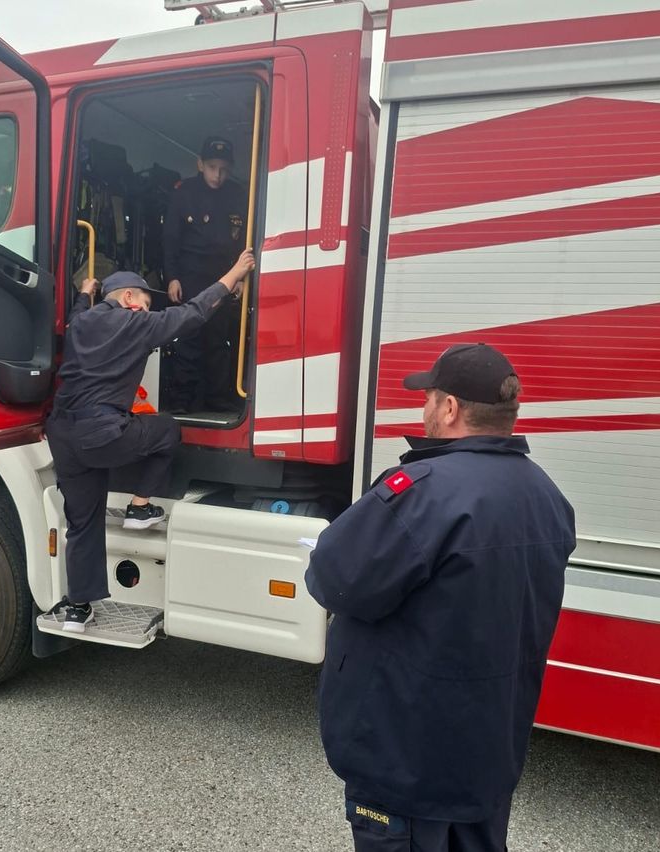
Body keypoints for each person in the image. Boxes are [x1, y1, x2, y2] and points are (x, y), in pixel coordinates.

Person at [305, 343, 576, 852]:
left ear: (450, 408)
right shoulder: (546, 494)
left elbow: (333, 579)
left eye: (428, 398)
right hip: (486, 758)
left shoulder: (423, 492)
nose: (424, 410)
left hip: (407, 763)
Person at [46, 250, 255, 632]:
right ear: (128, 299)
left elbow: (77, 315)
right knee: (168, 429)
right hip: (103, 432)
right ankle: (140, 507)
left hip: (63, 435)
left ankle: (78, 609)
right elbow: (192, 313)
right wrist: (234, 273)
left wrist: (84, 292)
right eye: (144, 301)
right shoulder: (134, 324)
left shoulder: (82, 324)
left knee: (82, 521)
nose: (147, 309)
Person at [162, 136, 248, 413]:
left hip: (225, 276)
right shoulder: (183, 193)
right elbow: (170, 239)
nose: (217, 175)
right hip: (191, 276)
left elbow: (246, 239)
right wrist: (172, 276)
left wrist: (243, 278)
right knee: (189, 340)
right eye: (212, 167)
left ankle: (218, 400)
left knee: (218, 340)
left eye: (223, 169)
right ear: (200, 164)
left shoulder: (238, 195)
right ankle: (182, 401)